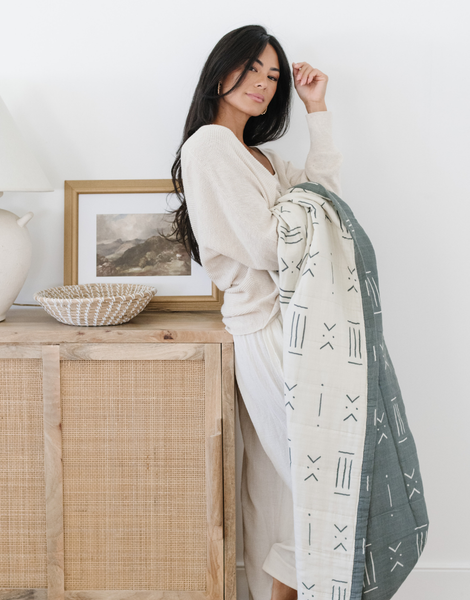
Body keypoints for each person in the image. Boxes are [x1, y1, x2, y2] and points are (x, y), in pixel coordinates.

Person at [170, 24, 343, 600]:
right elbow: (269, 245)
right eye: (252, 69)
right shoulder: (209, 147)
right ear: (222, 73)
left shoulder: (259, 157)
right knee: (306, 475)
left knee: (283, 479)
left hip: (293, 323)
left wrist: (317, 110)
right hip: (265, 325)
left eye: (273, 76)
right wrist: (303, 211)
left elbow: (329, 198)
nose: (264, 84)